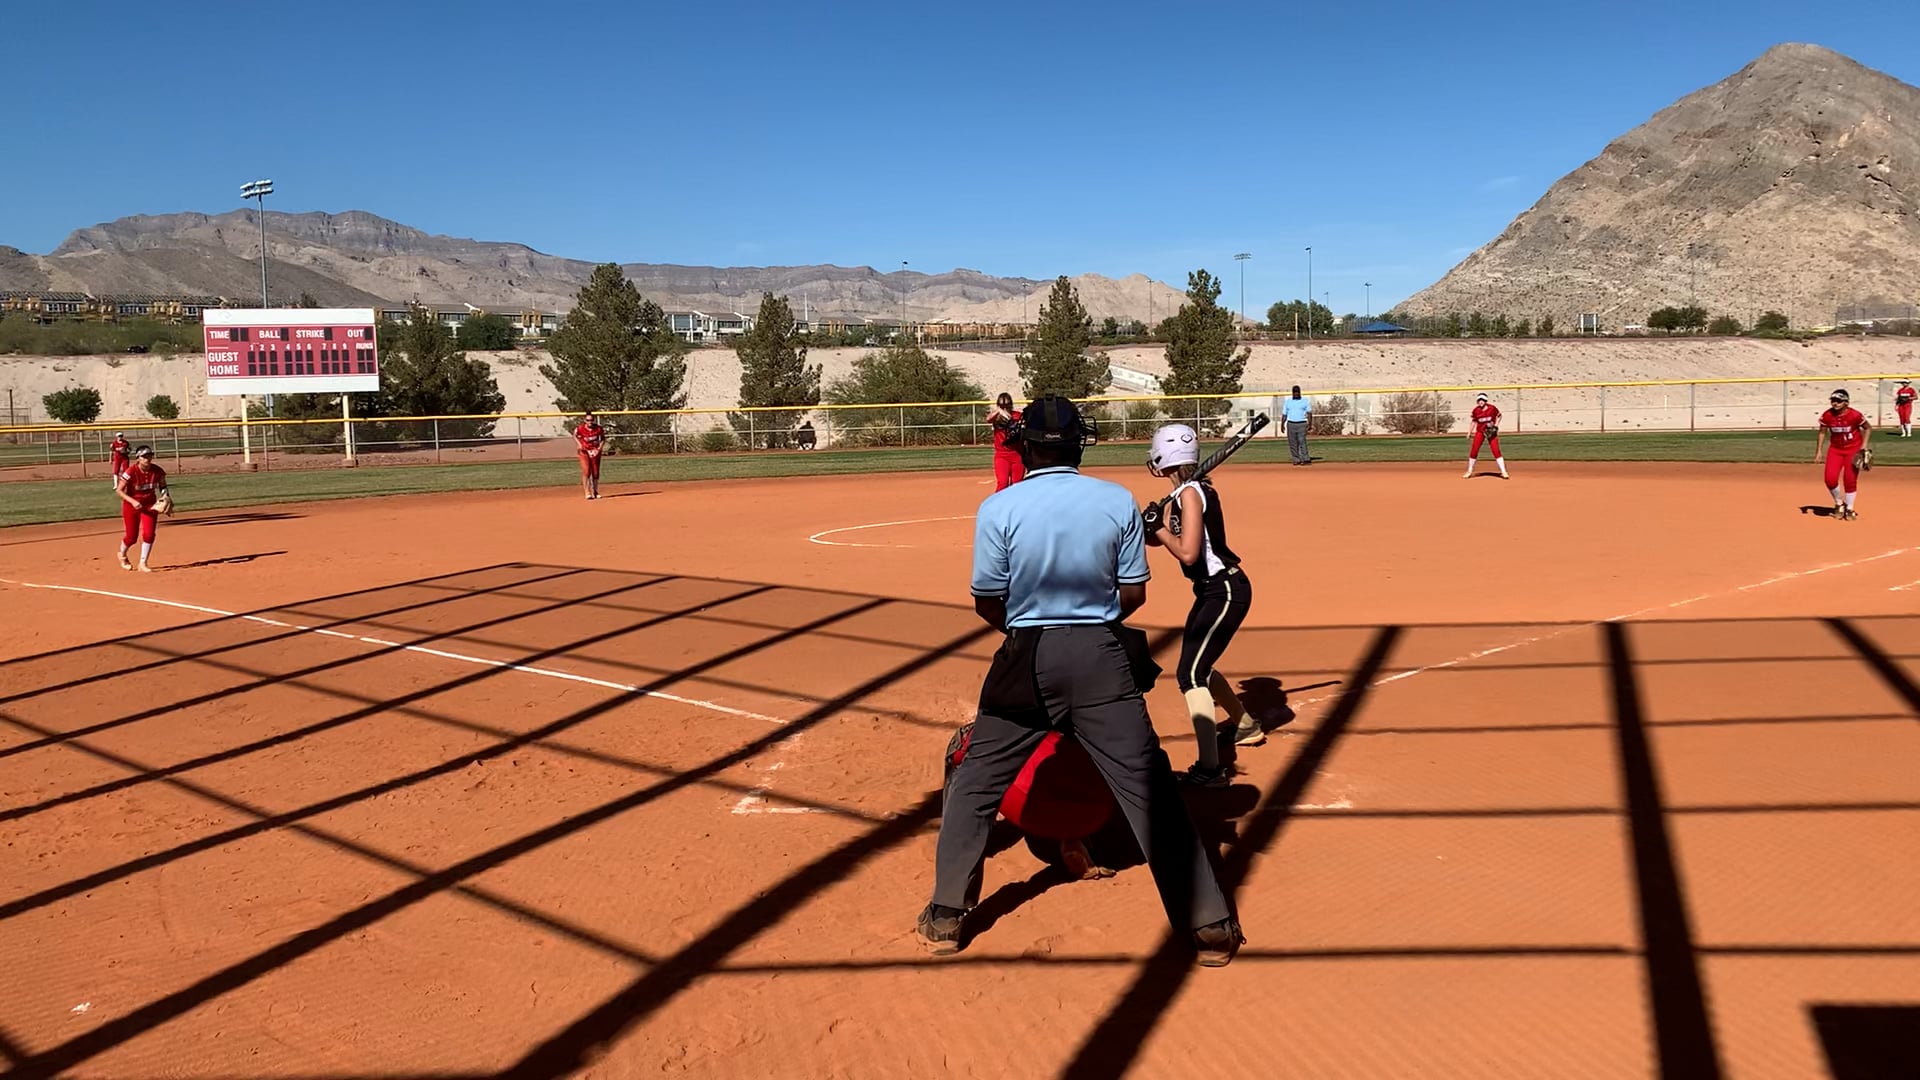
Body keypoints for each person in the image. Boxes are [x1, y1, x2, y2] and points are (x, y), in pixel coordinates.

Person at [919, 395, 1243, 967]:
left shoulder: (999, 507)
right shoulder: (1115, 500)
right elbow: (1133, 594)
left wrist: (1026, 628)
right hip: (1099, 654)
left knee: (975, 783)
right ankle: (1210, 926)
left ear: (1025, 446)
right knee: (1151, 789)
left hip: (1026, 654)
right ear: (1079, 444)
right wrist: (1090, 626)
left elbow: (987, 600)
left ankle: (947, 915)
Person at [1144, 424, 1258, 787]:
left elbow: (1189, 552)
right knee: (1198, 666)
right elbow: (1173, 538)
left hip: (1225, 590)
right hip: (1211, 590)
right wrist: (1153, 528)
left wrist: (1159, 529)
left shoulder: (1191, 494)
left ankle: (1210, 770)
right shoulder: (1186, 492)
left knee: (1191, 674)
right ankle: (1245, 725)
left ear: (1163, 458)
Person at [1815, 388, 1871, 521]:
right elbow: (1822, 432)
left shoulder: (1855, 415)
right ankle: (1839, 503)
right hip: (1835, 450)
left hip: (1853, 449)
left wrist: (1864, 446)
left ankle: (1850, 508)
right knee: (1830, 479)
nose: (1835, 403)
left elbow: (1868, 428)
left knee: (1849, 479)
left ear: (1846, 402)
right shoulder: (1827, 415)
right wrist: (1819, 451)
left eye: (1838, 401)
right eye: (1833, 400)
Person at [115, 446, 168, 572]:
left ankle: (143, 563)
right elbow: (119, 490)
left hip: (149, 505)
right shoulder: (131, 471)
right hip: (131, 506)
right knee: (131, 537)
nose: (147, 459)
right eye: (144, 457)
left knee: (149, 534)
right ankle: (122, 554)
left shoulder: (158, 471)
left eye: (149, 456)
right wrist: (133, 501)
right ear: (138, 458)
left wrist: (165, 497)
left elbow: (163, 486)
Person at [985, 393, 1025, 490]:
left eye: (1007, 406)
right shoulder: (996, 417)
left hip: (1017, 454)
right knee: (1002, 483)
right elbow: (988, 419)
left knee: (1017, 485)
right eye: (1002, 406)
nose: (1005, 408)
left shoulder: (1018, 416)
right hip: (1002, 455)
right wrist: (999, 411)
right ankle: (999, 500)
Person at [1466, 392, 1509, 479]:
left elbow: (1499, 416)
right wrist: (1469, 432)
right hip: (1480, 432)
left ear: (1486, 401)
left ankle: (1504, 472)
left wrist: (1496, 425)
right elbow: (1474, 422)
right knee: (1474, 450)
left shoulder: (1492, 408)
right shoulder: (1476, 410)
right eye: (1479, 400)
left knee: (1496, 450)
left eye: (1482, 400)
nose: (1481, 402)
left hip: (1491, 432)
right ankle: (1469, 471)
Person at [573, 411, 606, 500]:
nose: (590, 422)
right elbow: (575, 435)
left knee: (595, 472)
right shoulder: (580, 428)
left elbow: (603, 439)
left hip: (595, 452)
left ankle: (595, 491)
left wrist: (599, 448)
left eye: (591, 420)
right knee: (586, 471)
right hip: (584, 452)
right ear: (585, 420)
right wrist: (579, 444)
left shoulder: (598, 428)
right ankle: (587, 492)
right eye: (588, 420)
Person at [1281, 386, 1312, 465]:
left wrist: (1310, 424)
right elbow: (1284, 414)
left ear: (1300, 392)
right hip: (1291, 423)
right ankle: (1296, 459)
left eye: (1297, 392)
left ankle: (1305, 459)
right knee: (1292, 443)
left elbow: (1309, 413)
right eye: (1295, 392)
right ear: (1292, 393)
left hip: (1302, 423)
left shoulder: (1305, 401)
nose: (1296, 394)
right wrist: (1282, 424)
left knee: (1302, 441)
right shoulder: (1288, 402)